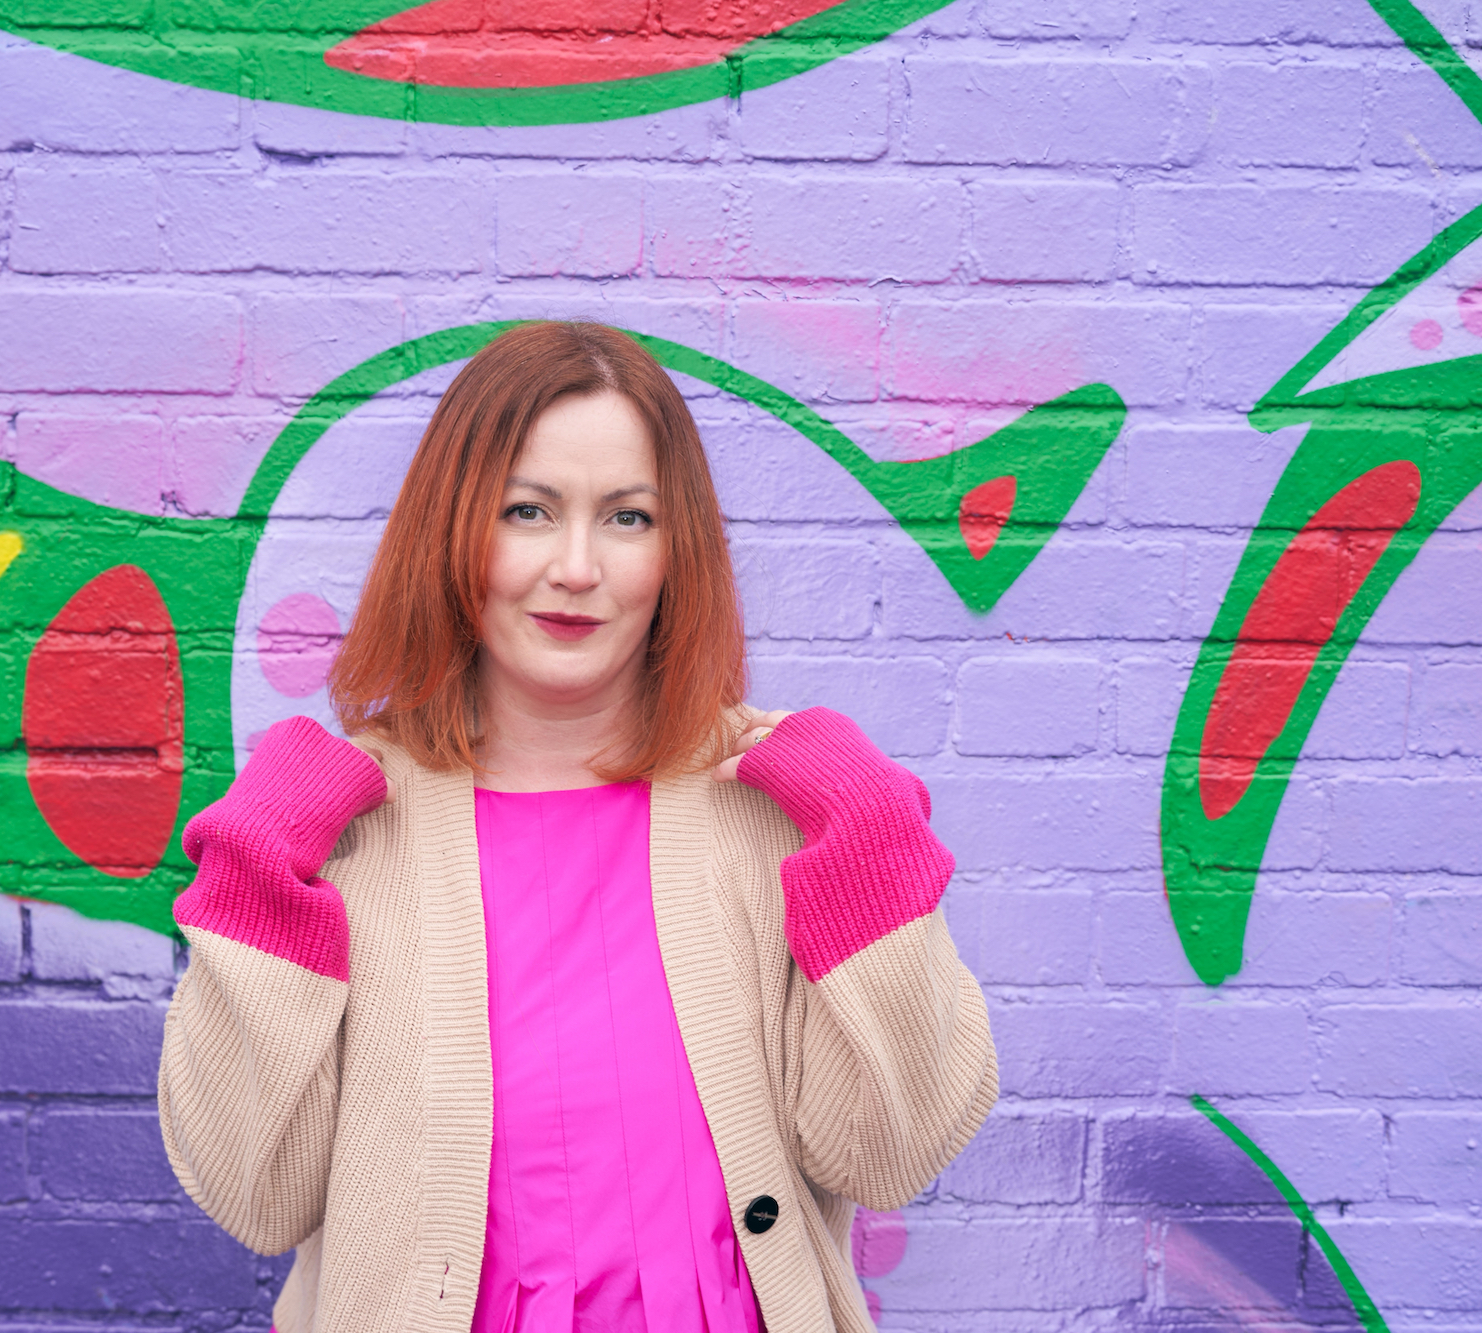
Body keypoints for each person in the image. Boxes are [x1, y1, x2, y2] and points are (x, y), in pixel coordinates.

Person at [158, 321, 997, 1333]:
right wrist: (254, 871)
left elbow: (885, 1154)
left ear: (676, 548)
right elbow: (252, 1196)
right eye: (527, 510)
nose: (574, 565)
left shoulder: (772, 814)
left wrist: (870, 847)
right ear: (451, 528)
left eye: (627, 518)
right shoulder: (342, 835)